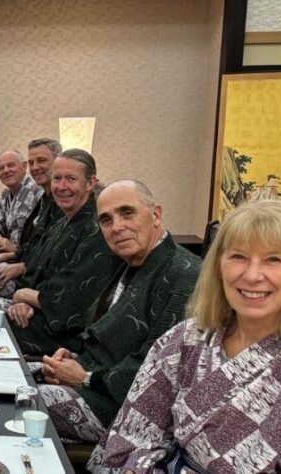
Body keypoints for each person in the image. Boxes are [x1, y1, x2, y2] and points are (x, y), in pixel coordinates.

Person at [91, 199, 281, 474]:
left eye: (274, 260)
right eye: (238, 257)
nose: (253, 275)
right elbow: (136, 430)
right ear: (218, 267)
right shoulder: (188, 339)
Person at [33, 180, 201, 444]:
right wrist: (77, 356)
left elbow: (159, 369)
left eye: (127, 213)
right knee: (0, 377)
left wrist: (85, 378)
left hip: (123, 409)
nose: (117, 227)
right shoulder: (128, 262)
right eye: (106, 220)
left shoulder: (185, 274)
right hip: (88, 376)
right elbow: (108, 333)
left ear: (155, 215)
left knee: (20, 404)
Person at [7, 149, 120, 355]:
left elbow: (70, 300)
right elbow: (34, 269)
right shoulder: (62, 221)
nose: (61, 187)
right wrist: (23, 301)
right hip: (37, 313)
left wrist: (24, 295)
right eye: (57, 179)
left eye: (71, 179)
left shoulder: (96, 230)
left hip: (67, 337)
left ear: (90, 183)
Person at [0, 138, 64, 295]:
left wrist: (18, 256)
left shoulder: (39, 191)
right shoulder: (11, 194)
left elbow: (54, 255)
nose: (6, 170)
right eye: (1, 168)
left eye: (11, 165)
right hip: (21, 258)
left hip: (34, 273)